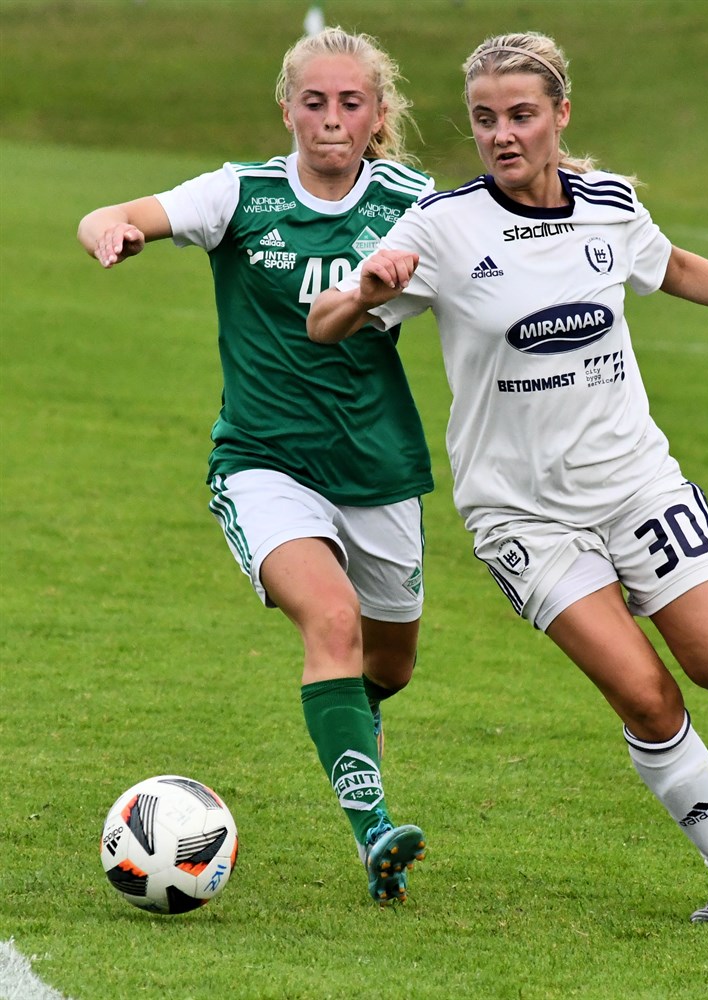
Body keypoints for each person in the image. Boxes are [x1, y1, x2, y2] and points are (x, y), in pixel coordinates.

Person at [308, 31, 708, 922]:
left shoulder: (608, 204)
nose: (502, 135)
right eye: (485, 119)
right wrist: (366, 291)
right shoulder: (442, 227)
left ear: (561, 114)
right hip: (522, 517)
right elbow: (323, 322)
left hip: (634, 485)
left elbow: (672, 265)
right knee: (644, 694)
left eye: (522, 115)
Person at [77, 27, 434, 906]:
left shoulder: (416, 204)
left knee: (389, 666)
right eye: (314, 102)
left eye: (350, 103)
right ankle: (374, 832)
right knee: (333, 624)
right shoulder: (241, 194)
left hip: (379, 468)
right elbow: (113, 213)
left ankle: (352, 716)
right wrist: (113, 228)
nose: (331, 118)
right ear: (286, 110)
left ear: (377, 115)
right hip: (263, 463)